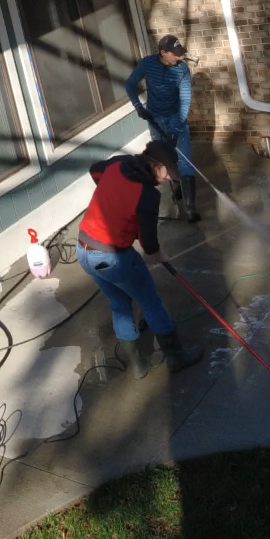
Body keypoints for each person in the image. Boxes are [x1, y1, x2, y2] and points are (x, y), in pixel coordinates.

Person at [76, 140, 206, 378]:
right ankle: (176, 357)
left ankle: (138, 365)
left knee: (119, 305)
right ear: (156, 165)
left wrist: (115, 206)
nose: (169, 179)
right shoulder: (147, 196)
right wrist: (160, 254)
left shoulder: (119, 164)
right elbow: (148, 244)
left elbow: (95, 169)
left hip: (84, 251)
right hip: (112, 258)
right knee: (151, 302)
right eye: (168, 172)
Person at [126, 34, 198, 222]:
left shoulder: (181, 70)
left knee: (184, 161)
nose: (179, 57)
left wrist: (176, 127)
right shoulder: (148, 64)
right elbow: (130, 84)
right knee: (163, 161)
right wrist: (138, 107)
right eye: (175, 54)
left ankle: (191, 209)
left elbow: (185, 101)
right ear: (163, 52)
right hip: (155, 119)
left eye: (180, 53)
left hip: (176, 118)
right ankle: (176, 191)